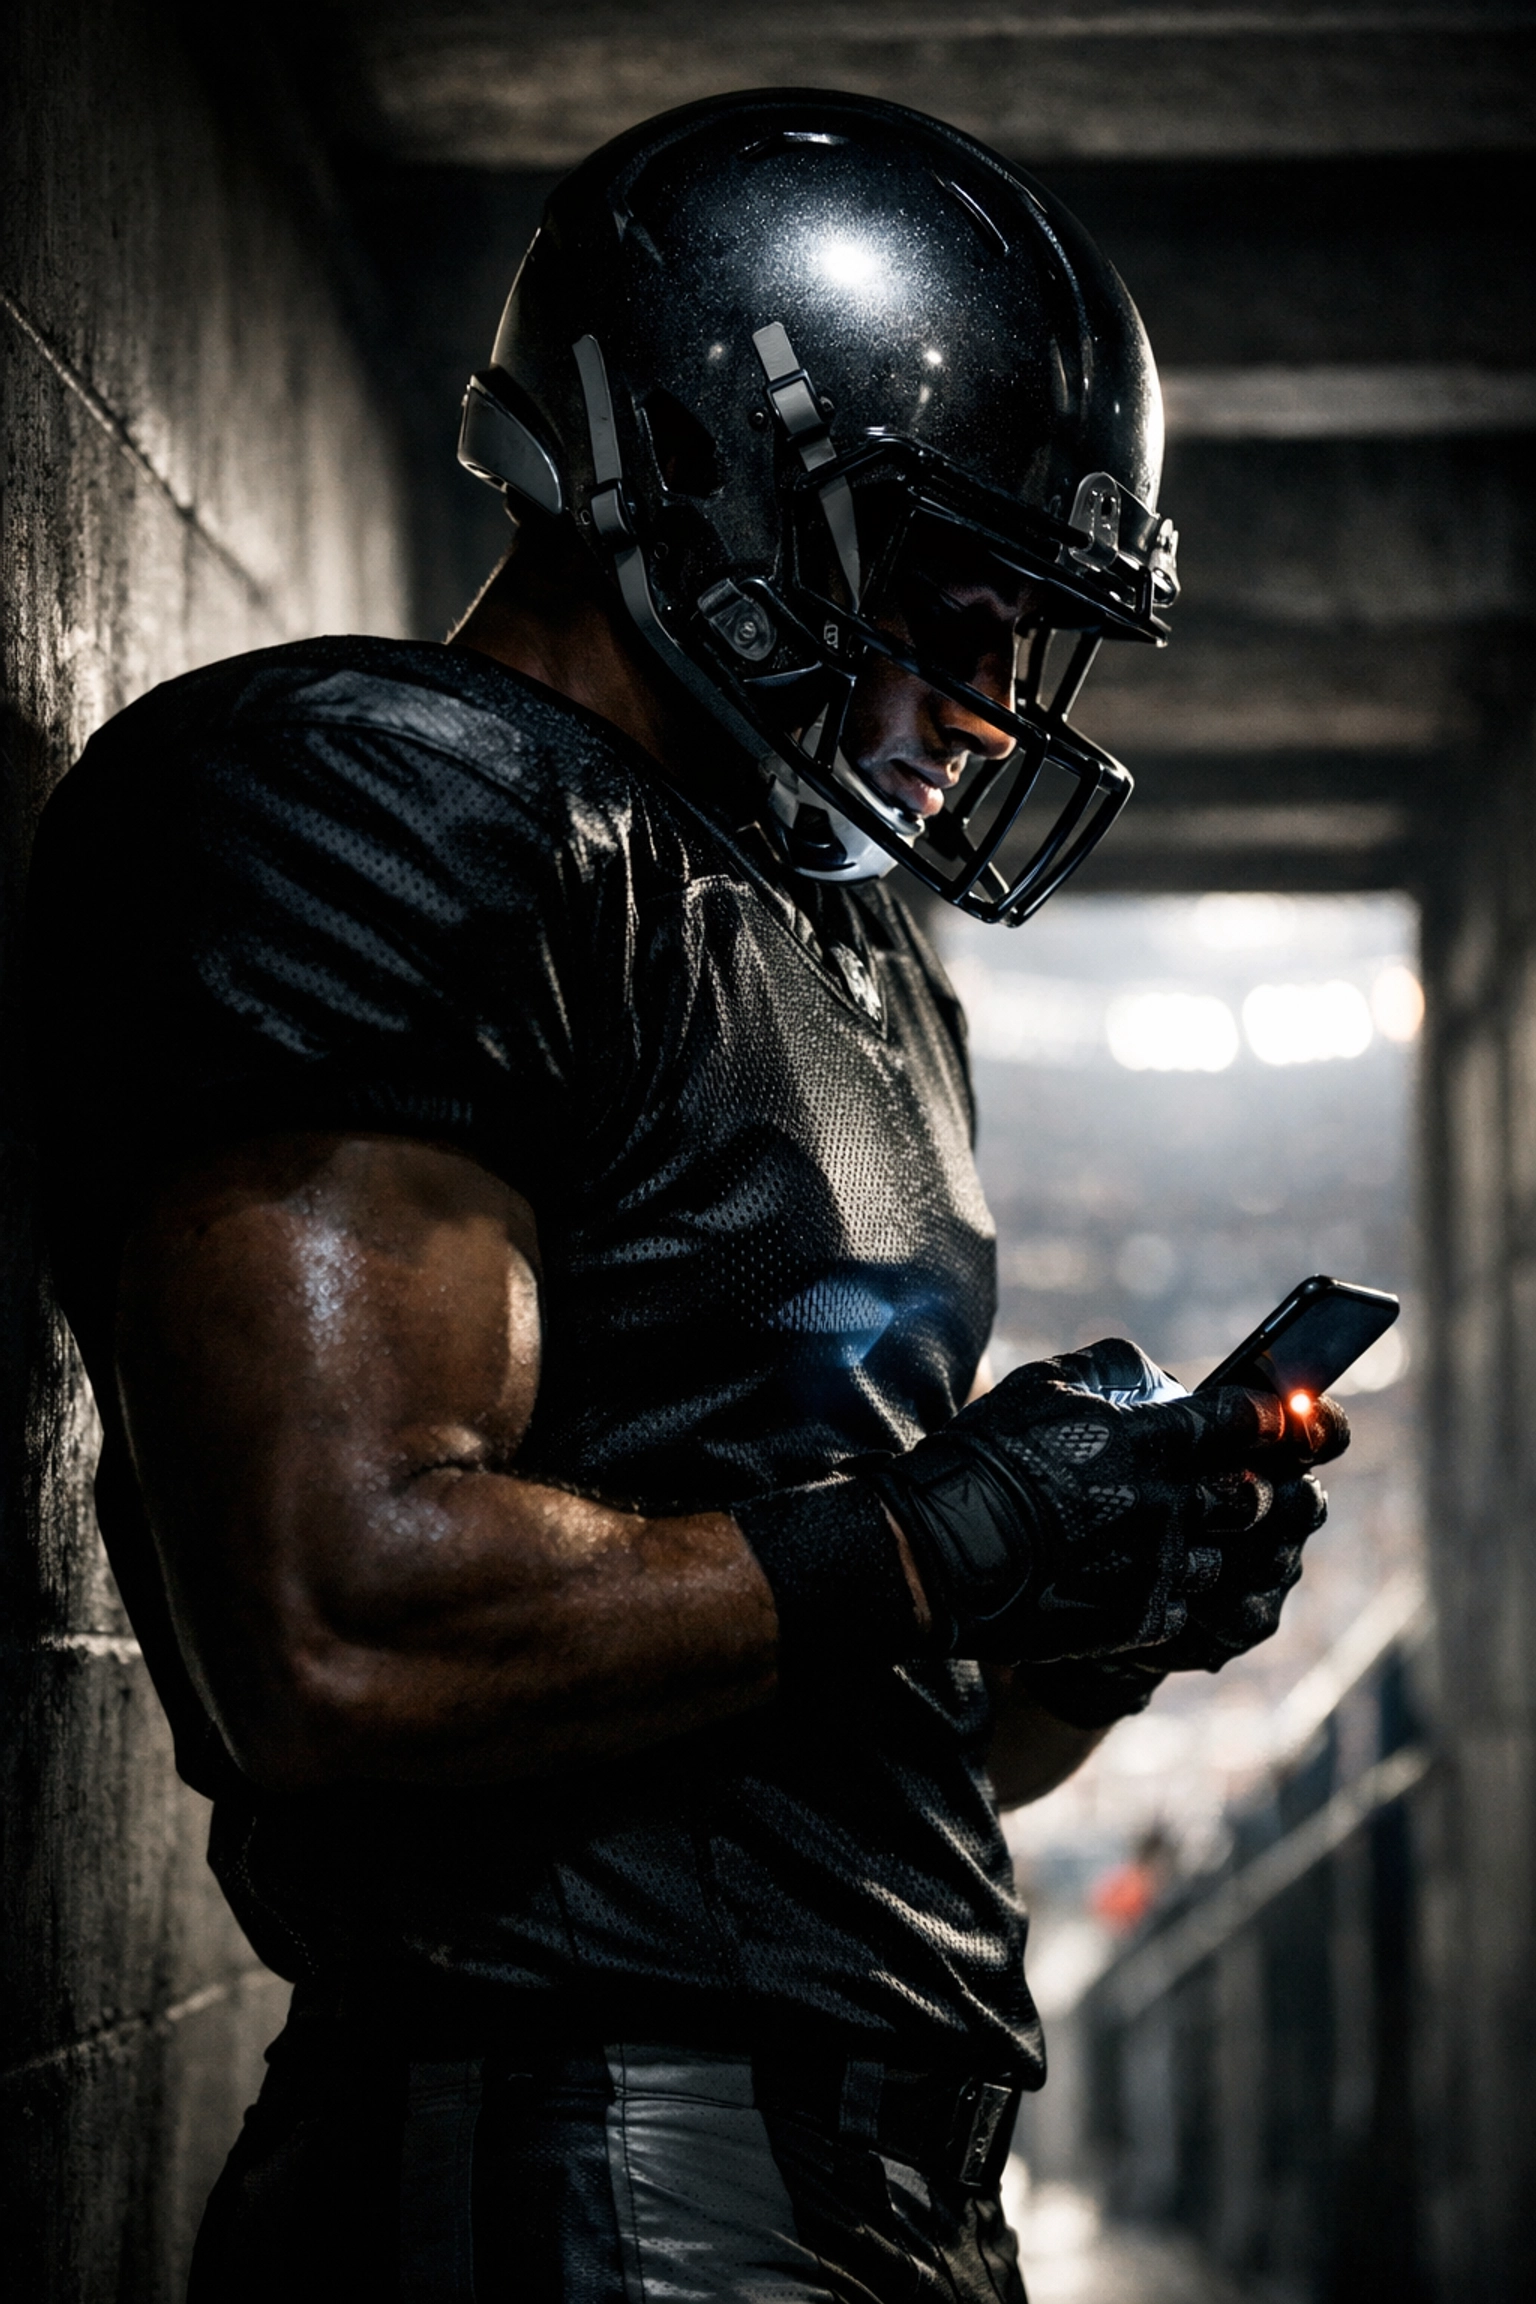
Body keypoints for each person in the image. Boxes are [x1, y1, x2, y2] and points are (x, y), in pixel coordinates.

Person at [24, 90, 1343, 2301]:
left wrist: (1086, 1623)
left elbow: (864, 1727)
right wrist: (942, 1532)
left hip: (875, 2173)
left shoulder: (850, 959)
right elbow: (341, 1622)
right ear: (716, 484)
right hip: (596, 2169)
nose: (998, 708)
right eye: (958, 600)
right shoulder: (394, 794)